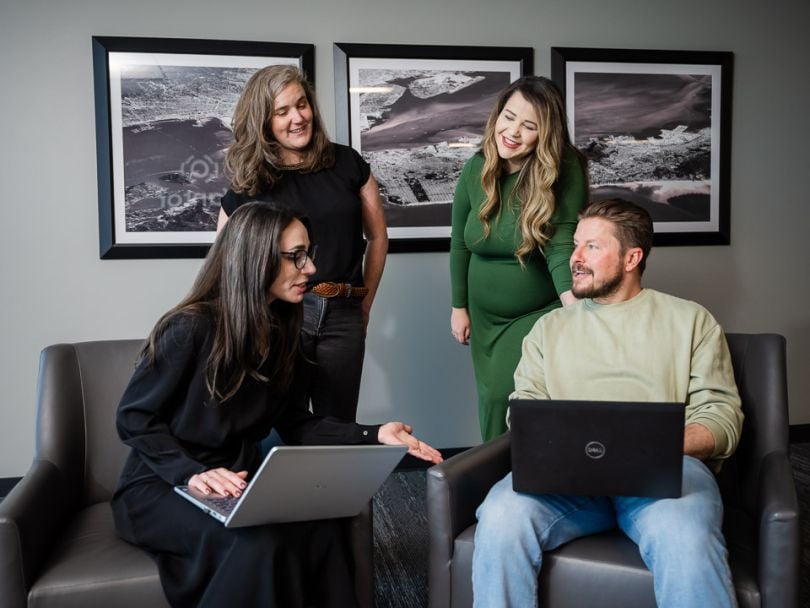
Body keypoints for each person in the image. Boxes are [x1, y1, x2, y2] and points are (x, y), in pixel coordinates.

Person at [112, 203, 440, 608]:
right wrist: (191, 473)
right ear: (255, 258)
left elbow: (295, 422)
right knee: (259, 545)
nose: (312, 268)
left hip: (237, 481)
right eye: (296, 256)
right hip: (162, 487)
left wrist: (374, 434)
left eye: (309, 253)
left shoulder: (284, 333)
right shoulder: (189, 327)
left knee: (323, 528)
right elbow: (133, 418)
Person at [472, 199, 744, 607]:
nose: (575, 258)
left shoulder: (691, 321)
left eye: (592, 248)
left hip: (663, 480)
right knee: (500, 515)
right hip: (568, 483)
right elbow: (524, 407)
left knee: (685, 537)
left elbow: (721, 417)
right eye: (576, 245)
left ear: (632, 257)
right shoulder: (549, 329)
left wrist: (652, 447)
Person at [218, 64, 388, 422]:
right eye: (282, 111)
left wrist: (365, 305)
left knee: (339, 427)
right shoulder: (249, 183)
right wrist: (249, 323)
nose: (297, 117)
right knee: (282, 423)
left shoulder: (347, 163)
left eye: (302, 105)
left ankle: (336, 483)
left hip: (343, 312)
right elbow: (224, 267)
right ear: (264, 121)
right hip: (278, 319)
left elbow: (377, 237)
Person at [449, 76, 588, 441]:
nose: (512, 132)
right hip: (483, 316)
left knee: (501, 397)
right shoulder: (474, 168)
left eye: (528, 126)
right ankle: (500, 481)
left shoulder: (564, 168)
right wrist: (458, 305)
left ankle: (505, 481)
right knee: (489, 399)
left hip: (534, 311)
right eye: (508, 117)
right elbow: (459, 244)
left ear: (546, 134)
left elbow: (561, 243)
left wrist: (572, 303)